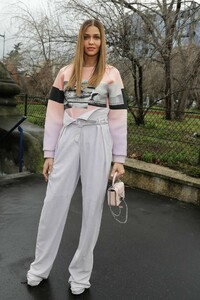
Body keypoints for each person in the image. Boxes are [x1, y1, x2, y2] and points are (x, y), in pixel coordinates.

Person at [27, 19, 127, 295]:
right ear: (80, 40)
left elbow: (118, 117)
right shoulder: (65, 72)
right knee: (53, 201)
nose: (91, 42)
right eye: (86, 37)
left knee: (93, 207)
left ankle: (80, 275)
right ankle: (39, 267)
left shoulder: (111, 74)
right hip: (69, 137)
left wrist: (119, 157)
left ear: (102, 41)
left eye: (96, 37)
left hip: (99, 136)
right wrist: (49, 153)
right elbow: (54, 115)